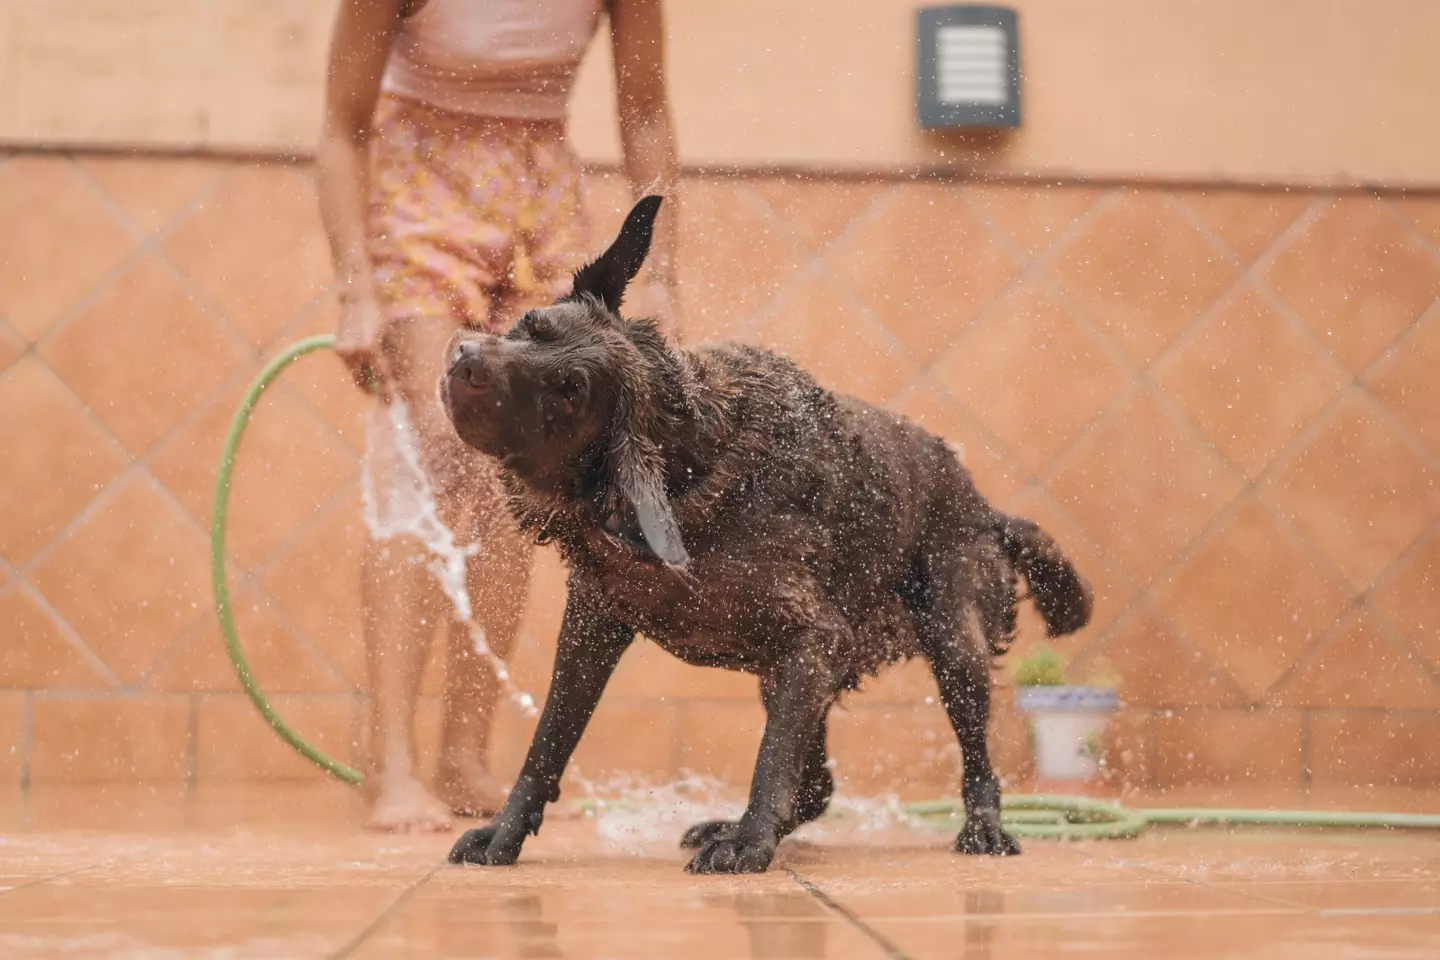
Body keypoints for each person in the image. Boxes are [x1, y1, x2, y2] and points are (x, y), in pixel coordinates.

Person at [315, 0, 679, 832]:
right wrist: (357, 291)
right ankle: (392, 765)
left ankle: (463, 757)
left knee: (517, 482)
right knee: (439, 462)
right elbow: (341, 126)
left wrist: (660, 275)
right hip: (420, 186)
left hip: (540, 188)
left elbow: (647, 109)